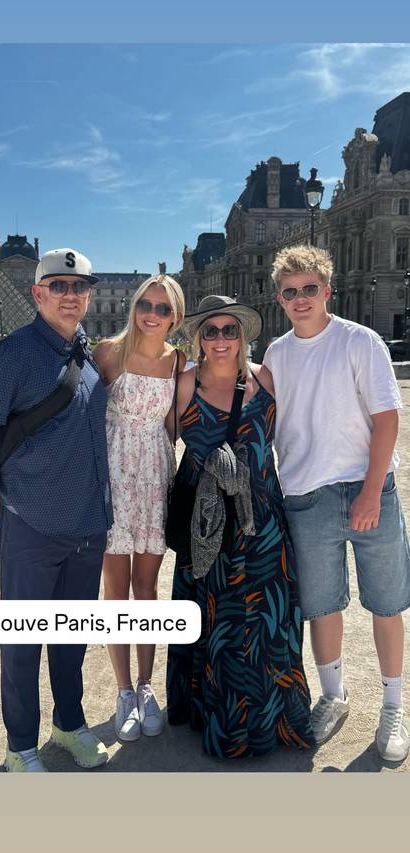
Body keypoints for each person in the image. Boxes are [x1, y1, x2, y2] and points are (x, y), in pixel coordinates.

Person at [0, 248, 113, 772]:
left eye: (80, 286)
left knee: (72, 641)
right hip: (33, 523)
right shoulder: (14, 353)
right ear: (38, 292)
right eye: (60, 285)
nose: (71, 295)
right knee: (23, 642)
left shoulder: (89, 355)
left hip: (89, 525)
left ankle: (69, 725)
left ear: (89, 294)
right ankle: (20, 745)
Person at [264, 244, 410, 762]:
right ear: (279, 298)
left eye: (309, 289)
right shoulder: (277, 354)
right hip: (305, 495)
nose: (300, 299)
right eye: (290, 292)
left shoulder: (359, 340)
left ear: (327, 289)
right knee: (322, 606)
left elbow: (387, 418)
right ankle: (334, 695)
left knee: (387, 603)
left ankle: (394, 704)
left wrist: (371, 490)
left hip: (364, 487)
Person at [166, 295, 314, 759]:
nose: (221, 339)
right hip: (209, 521)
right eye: (211, 331)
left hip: (263, 515)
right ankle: (223, 722)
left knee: (271, 618)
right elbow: (154, 440)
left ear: (244, 336)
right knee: (220, 621)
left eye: (231, 330)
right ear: (198, 339)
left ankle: (277, 721)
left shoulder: (264, 377)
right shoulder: (185, 383)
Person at [93, 273, 185, 742]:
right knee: (116, 589)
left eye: (163, 308)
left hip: (153, 477)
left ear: (175, 316)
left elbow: (174, 429)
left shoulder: (179, 361)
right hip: (111, 477)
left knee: (147, 589)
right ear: (134, 306)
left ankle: (147, 686)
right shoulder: (107, 351)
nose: (152, 313)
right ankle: (123, 690)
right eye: (146, 304)